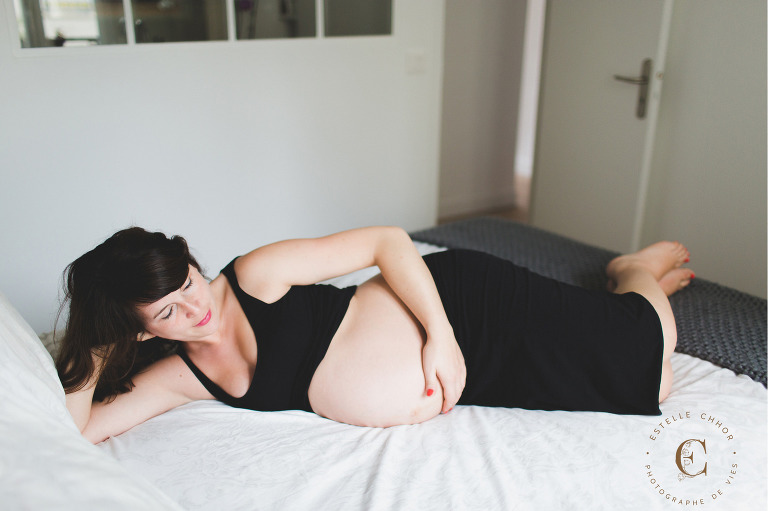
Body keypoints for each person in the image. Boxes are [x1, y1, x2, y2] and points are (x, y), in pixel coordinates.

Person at [56, 226, 694, 444]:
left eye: (187, 282)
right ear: (138, 333)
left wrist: (440, 337)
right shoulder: (182, 376)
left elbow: (389, 241)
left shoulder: (255, 275)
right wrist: (95, 346)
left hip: (459, 309)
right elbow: (81, 427)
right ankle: (632, 290)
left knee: (651, 352)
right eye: (165, 313)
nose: (194, 308)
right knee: (649, 378)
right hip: (473, 380)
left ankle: (632, 271)